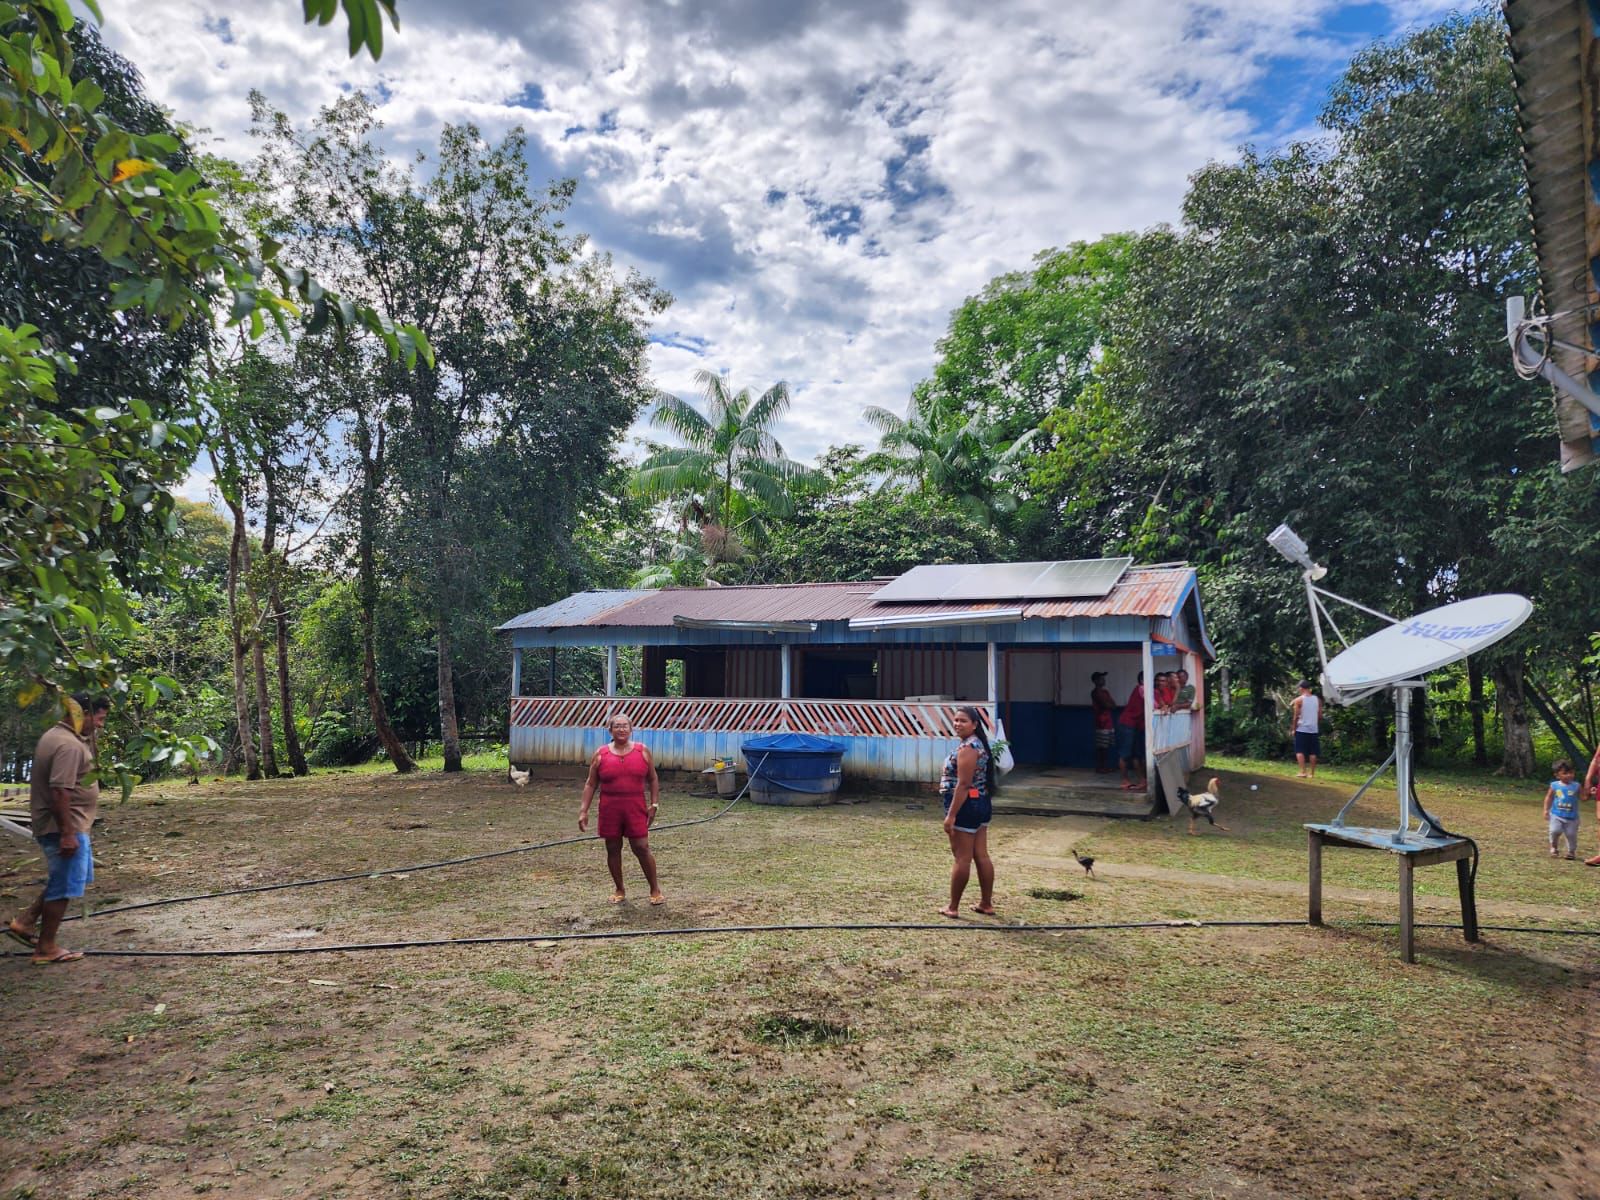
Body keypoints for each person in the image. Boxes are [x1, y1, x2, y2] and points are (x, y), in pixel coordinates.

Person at [7, 694, 108, 964]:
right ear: (82, 714)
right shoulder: (68, 745)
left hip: (69, 825)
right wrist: (67, 833)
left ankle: (26, 921)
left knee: (69, 879)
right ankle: (46, 948)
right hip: (64, 826)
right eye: (99, 719)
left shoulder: (57, 736)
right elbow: (59, 791)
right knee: (64, 885)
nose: (100, 726)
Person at [577, 714, 664, 904]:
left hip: (635, 807)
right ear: (610, 730)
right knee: (613, 847)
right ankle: (619, 889)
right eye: (617, 726)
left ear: (631, 729)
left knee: (641, 847)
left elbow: (653, 779)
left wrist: (654, 804)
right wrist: (584, 811)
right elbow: (591, 784)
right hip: (610, 808)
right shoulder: (601, 754)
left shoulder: (643, 751)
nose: (621, 729)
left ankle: (655, 889)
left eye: (625, 726)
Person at [938, 705, 997, 919]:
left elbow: (963, 785)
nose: (957, 724)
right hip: (980, 802)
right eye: (955, 720)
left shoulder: (968, 748)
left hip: (966, 806)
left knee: (962, 858)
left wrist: (951, 815)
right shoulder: (977, 744)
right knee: (980, 854)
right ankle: (986, 903)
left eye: (963, 720)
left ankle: (952, 907)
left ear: (975, 724)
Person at [1545, 758, 1581, 860]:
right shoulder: (1554, 785)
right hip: (1556, 814)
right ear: (1557, 775)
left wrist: (1591, 792)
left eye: (1571, 773)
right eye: (1565, 773)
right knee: (1554, 831)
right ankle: (1554, 847)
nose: (1569, 775)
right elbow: (1549, 797)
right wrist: (1545, 810)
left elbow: (1583, 797)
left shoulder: (1576, 786)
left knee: (1571, 834)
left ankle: (1571, 852)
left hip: (1572, 817)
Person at [1117, 672, 1147, 791]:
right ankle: (1125, 780)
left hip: (1134, 725)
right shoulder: (1141, 688)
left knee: (1136, 755)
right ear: (1142, 680)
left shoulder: (1143, 689)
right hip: (1127, 724)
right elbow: (1153, 704)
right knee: (1125, 754)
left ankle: (1142, 780)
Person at [1289, 679, 1321, 778]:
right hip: (1314, 729)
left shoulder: (1299, 700)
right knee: (1313, 752)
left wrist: (1294, 728)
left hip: (1302, 728)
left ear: (1301, 688)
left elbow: (1296, 716)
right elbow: (1320, 715)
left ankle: (1303, 772)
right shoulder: (1317, 700)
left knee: (1300, 750)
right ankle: (1312, 773)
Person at [1090, 672, 1117, 773]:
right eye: (1101, 679)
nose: (1103, 680)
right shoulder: (1095, 692)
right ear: (1095, 681)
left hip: (1108, 721)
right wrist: (1108, 704)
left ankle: (1104, 766)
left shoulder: (1105, 692)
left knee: (1106, 746)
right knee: (1102, 747)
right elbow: (1106, 705)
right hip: (1101, 722)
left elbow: (1113, 704)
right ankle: (1100, 767)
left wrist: (1109, 704)